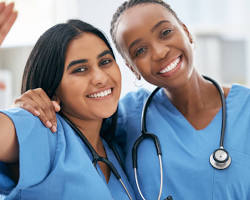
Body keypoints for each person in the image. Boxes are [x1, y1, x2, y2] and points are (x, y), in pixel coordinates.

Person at [14, 0, 250, 199]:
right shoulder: (127, 116)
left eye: (166, 32)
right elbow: (70, 124)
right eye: (140, 50)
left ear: (186, 32)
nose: (159, 52)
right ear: (132, 67)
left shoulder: (245, 108)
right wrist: (35, 104)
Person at [0, 19, 136, 199]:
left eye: (105, 61)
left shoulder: (115, 147)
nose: (100, 78)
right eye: (80, 69)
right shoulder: (41, 128)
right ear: (53, 88)